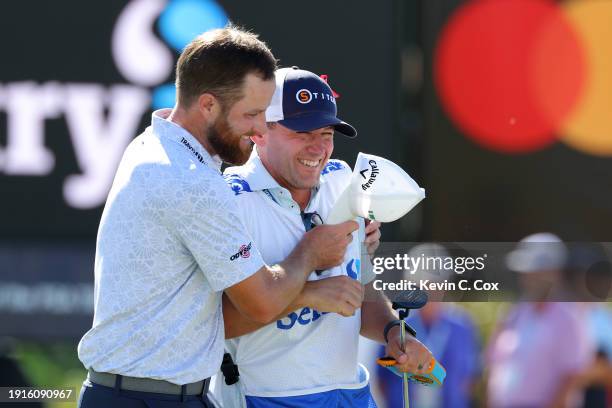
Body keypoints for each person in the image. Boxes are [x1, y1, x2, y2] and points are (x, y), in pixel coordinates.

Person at [76, 28, 358, 408]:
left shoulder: (152, 144)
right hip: (150, 398)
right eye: (253, 114)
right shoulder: (192, 181)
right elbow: (262, 302)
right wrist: (311, 252)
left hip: (145, 392)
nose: (260, 129)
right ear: (208, 105)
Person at [216, 66, 433, 407]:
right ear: (259, 132)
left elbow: (358, 285)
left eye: (327, 133)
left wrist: (393, 333)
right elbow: (214, 324)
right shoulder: (229, 199)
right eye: (302, 133)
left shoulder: (342, 178)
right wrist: (307, 294)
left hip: (351, 392)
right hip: (265, 397)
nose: (318, 148)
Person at [486, 233, 593, 408]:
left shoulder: (569, 318)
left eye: (534, 272)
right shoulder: (515, 313)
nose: (526, 278)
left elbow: (572, 377)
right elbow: (495, 365)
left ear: (553, 273)